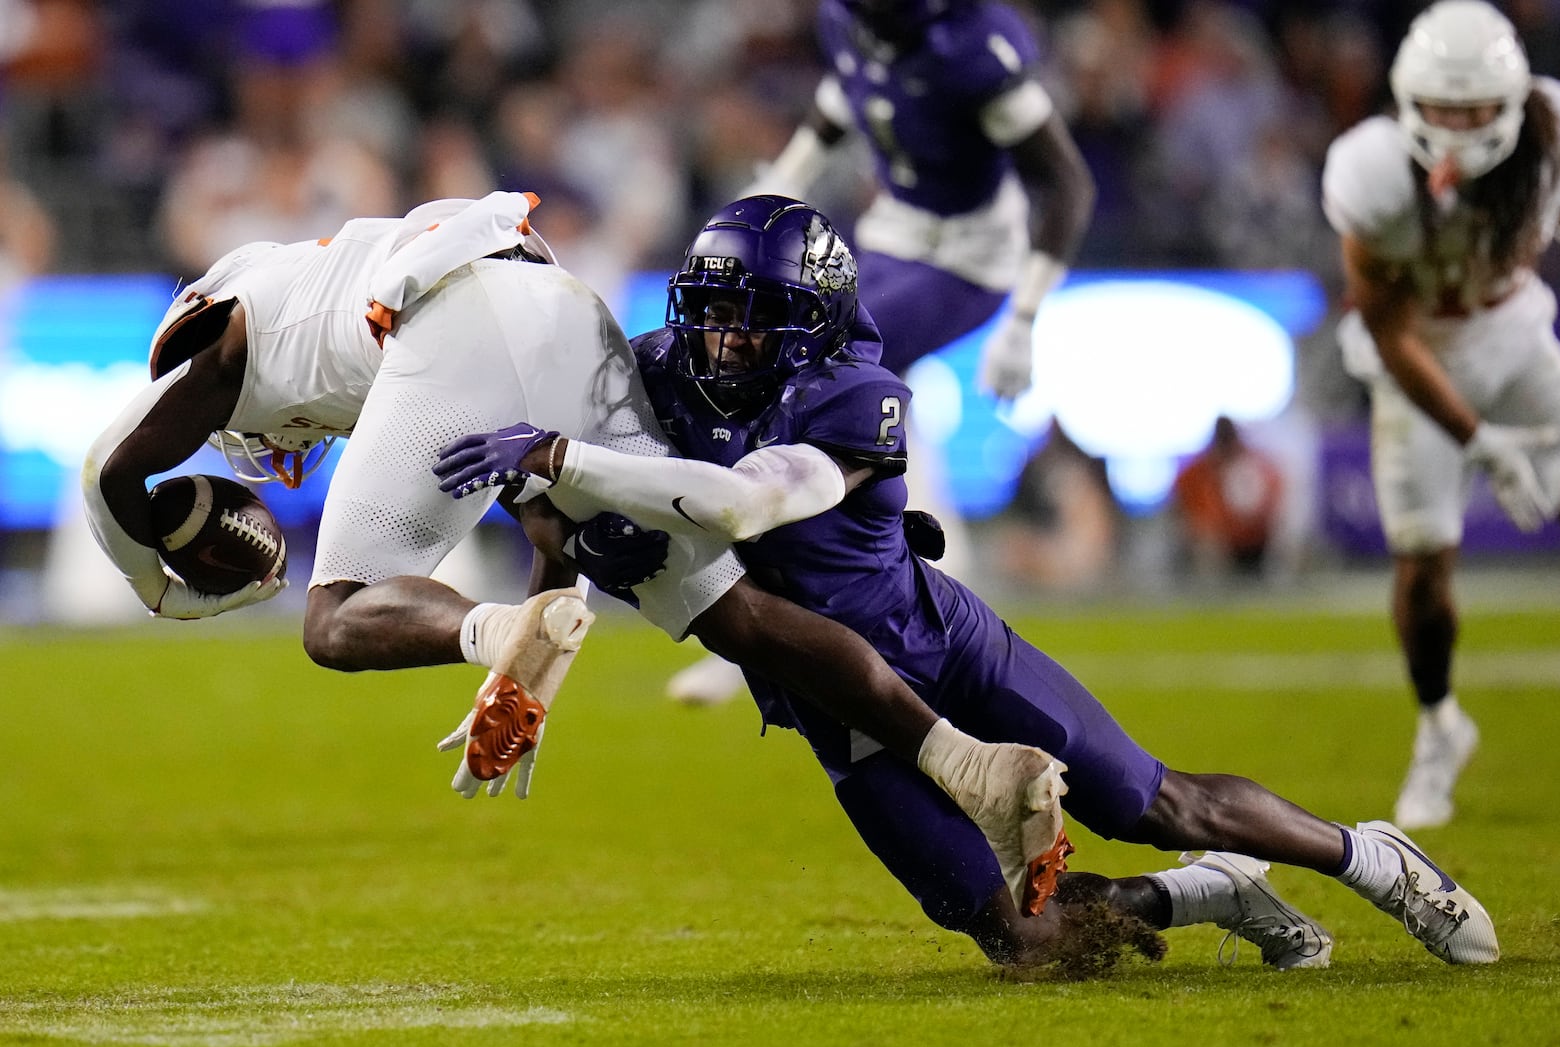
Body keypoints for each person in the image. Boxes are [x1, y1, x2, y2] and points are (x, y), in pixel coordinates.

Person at [438, 195, 1501, 970]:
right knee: (1024, 938)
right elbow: (544, 500)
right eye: (713, 309)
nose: (724, 336)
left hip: (938, 645)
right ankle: (1205, 895)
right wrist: (561, 543)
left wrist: (575, 472)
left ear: (808, 317)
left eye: (753, 315)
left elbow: (743, 502)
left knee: (1155, 799)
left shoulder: (856, 390)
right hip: (831, 707)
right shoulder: (657, 366)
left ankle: (1369, 858)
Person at [79, 189, 1076, 921]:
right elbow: (548, 515)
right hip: (563, 312)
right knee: (729, 609)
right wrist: (532, 660)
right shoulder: (326, 272)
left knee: (335, 617)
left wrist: (163, 582)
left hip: (450, 329)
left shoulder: (217, 340)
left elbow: (113, 474)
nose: (281, 454)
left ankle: (490, 631)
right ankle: (968, 763)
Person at [664, 0, 1098, 705]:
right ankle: (939, 589)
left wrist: (1024, 316)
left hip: (969, 259)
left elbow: (1069, 183)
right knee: (844, 386)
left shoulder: (973, 48)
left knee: (809, 379)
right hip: (892, 236)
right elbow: (838, 105)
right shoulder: (849, 22)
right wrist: (778, 185)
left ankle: (773, 620)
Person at [1322, 0, 1560, 830]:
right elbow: (1389, 330)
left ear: (1511, 104)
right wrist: (1479, 440)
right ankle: (1441, 724)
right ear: (1408, 97)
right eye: (1442, 107)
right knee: (1425, 564)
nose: (1457, 126)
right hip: (1420, 364)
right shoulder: (1371, 174)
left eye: (1475, 109)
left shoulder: (1552, 139)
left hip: (1515, 338)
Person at [1171, 415, 1285, 578]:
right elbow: (1183, 506)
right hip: (1215, 544)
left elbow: (1274, 498)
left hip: (1255, 541)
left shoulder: (1256, 466)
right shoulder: (1198, 472)